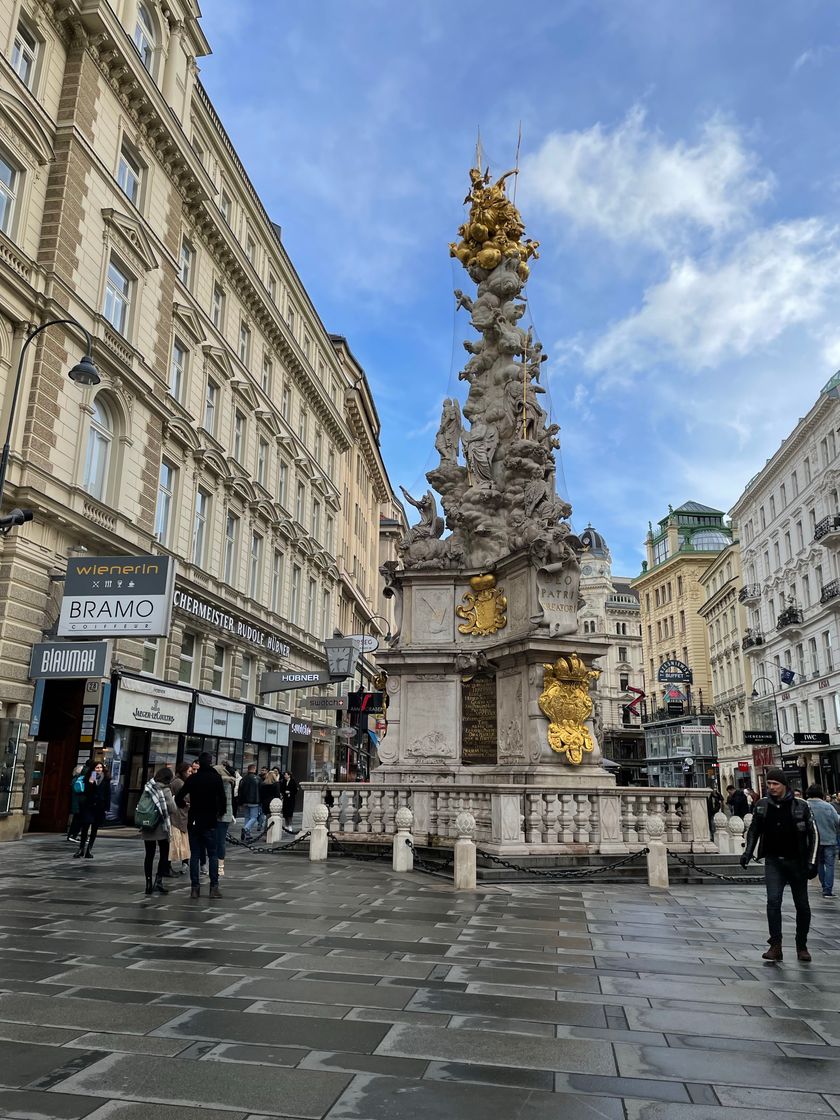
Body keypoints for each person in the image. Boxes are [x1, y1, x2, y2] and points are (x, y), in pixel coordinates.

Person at [741, 767, 819, 962]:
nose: (771, 787)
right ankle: (775, 946)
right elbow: (754, 831)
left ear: (784, 785)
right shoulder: (762, 805)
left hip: (797, 861)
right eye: (769, 784)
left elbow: (814, 834)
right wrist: (747, 852)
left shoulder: (801, 805)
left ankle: (802, 946)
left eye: (775, 784)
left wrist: (812, 861)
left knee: (802, 905)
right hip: (774, 861)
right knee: (773, 902)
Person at [175, 752, 226, 899]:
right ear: (210, 762)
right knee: (213, 854)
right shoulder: (216, 778)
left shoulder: (193, 778)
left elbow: (179, 797)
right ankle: (214, 887)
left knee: (195, 855)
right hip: (210, 820)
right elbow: (222, 799)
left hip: (195, 820)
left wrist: (186, 805)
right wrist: (219, 813)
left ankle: (195, 888)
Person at [139, 767, 177, 895]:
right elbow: (172, 808)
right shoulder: (165, 790)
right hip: (161, 826)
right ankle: (158, 881)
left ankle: (148, 883)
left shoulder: (148, 788)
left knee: (149, 855)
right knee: (164, 853)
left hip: (148, 824)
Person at [806, 785, 840, 898]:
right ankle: (827, 889)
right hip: (829, 839)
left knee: (819, 863)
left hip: (814, 841)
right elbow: (837, 820)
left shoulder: (805, 806)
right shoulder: (828, 806)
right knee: (830, 865)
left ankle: (823, 885)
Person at [74, 761, 110, 859]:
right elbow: (86, 792)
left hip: (100, 807)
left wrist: (107, 807)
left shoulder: (106, 779)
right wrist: (90, 783)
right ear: (93, 769)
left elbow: (108, 794)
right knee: (85, 826)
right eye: (97, 768)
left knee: (94, 829)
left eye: (100, 768)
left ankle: (89, 850)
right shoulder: (89, 777)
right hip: (89, 805)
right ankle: (81, 849)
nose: (99, 769)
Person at [169, 761, 192, 874]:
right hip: (178, 817)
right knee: (177, 843)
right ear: (183, 772)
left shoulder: (176, 781)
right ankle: (173, 865)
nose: (190, 773)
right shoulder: (180, 783)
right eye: (189, 771)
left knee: (179, 842)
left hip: (177, 816)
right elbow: (186, 797)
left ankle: (183, 863)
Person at [215, 762, 235, 877]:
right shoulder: (228, 781)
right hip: (226, 814)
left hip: (219, 814)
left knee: (218, 841)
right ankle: (220, 866)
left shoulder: (223, 782)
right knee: (220, 841)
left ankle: (219, 866)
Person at [238, 764, 261, 841]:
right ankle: (246, 829)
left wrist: (240, 802)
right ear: (254, 769)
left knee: (247, 817)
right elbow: (261, 790)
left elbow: (240, 791)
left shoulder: (243, 779)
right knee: (253, 817)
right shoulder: (257, 778)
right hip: (255, 800)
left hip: (245, 801)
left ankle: (247, 834)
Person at [67, 765, 85, 843]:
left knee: (77, 819)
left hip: (76, 803)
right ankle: (73, 835)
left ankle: (73, 835)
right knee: (77, 820)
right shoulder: (78, 780)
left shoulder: (75, 779)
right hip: (78, 803)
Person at [280, 770, 300, 834]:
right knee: (285, 813)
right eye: (284, 775)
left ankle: (290, 825)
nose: (285, 776)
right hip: (285, 799)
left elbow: (295, 790)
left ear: (289, 775)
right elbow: (281, 789)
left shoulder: (293, 781)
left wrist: (290, 792)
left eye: (286, 775)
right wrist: (284, 792)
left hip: (291, 799)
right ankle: (286, 825)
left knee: (290, 813)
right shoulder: (283, 781)